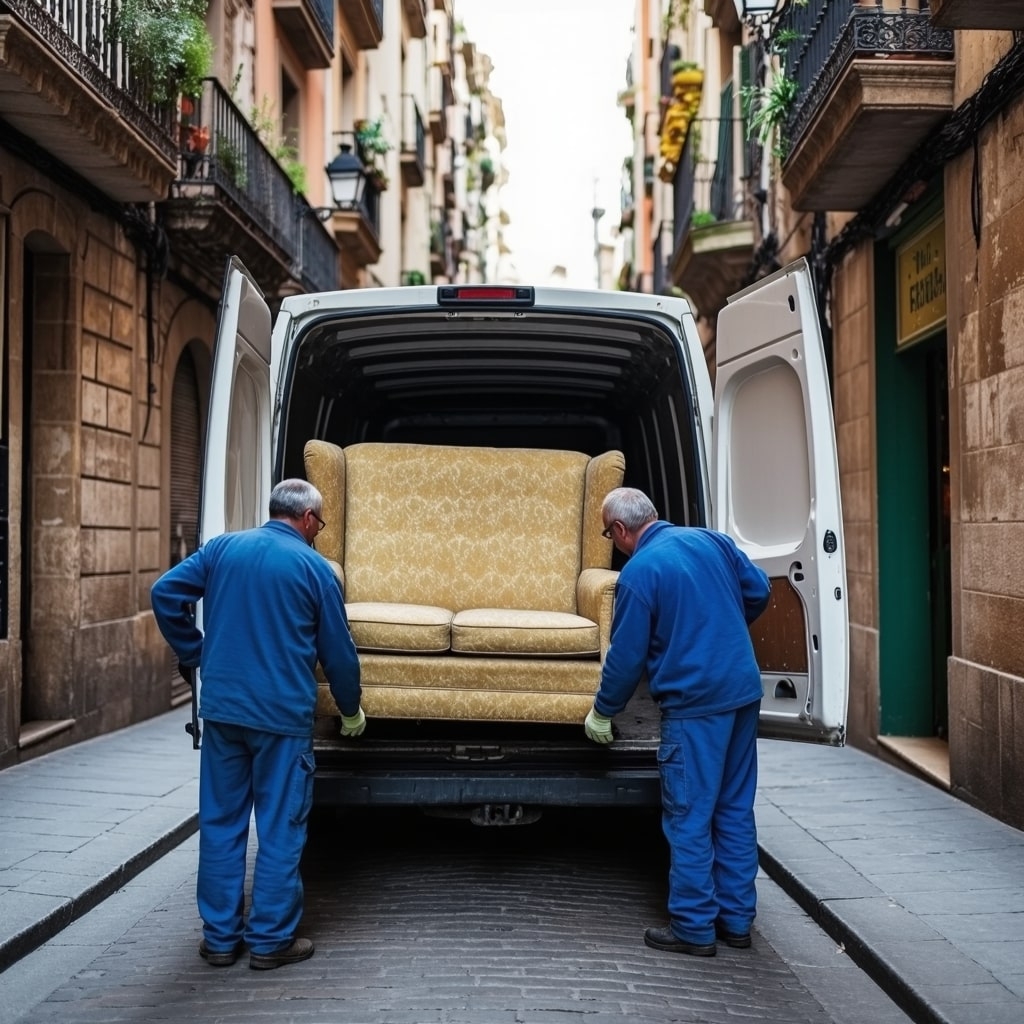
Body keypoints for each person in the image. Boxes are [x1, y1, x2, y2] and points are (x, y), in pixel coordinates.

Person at [150, 478, 364, 970]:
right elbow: (339, 654)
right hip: (281, 721)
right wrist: (350, 709)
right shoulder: (315, 569)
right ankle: (269, 942)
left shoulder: (223, 549)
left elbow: (165, 594)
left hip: (223, 713)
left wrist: (194, 650)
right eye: (321, 524)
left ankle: (220, 940)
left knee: (221, 825)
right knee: (279, 828)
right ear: (308, 519)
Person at [583, 487, 770, 957]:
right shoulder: (713, 541)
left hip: (694, 705)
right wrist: (716, 624)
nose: (613, 541)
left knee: (689, 814)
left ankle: (692, 926)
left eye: (609, 534)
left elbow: (625, 660)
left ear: (621, 531)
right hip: (742, 693)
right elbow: (760, 591)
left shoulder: (639, 573)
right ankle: (737, 922)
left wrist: (604, 710)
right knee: (733, 809)